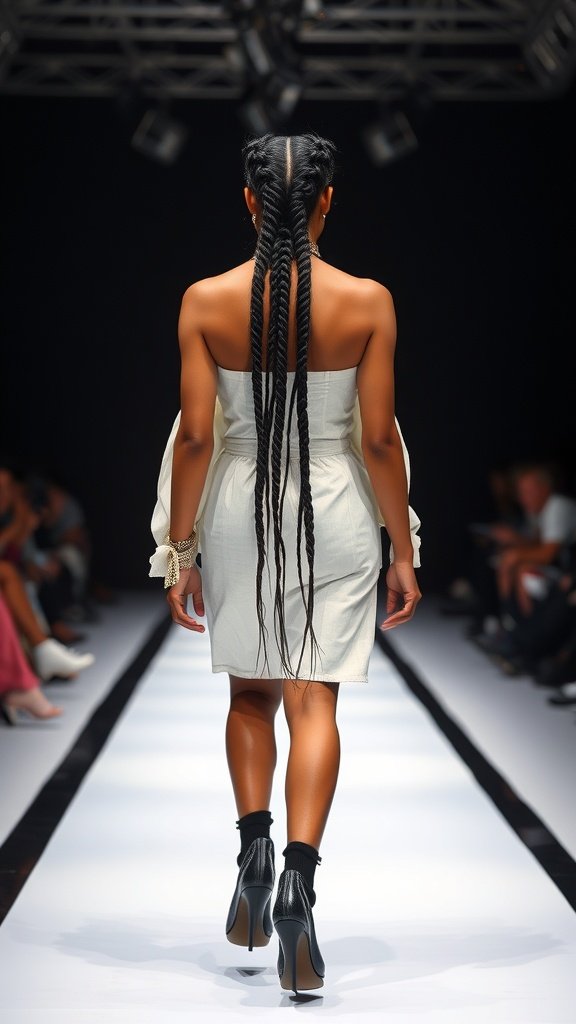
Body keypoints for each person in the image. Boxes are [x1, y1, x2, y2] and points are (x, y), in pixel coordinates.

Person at [148, 132, 422, 996]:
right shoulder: (368, 301)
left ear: (247, 200)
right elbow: (376, 439)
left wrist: (179, 545)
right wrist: (403, 547)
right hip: (339, 510)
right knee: (316, 701)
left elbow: (196, 436)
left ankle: (255, 850)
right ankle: (303, 879)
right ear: (331, 202)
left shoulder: (205, 300)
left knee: (250, 695)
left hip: (237, 509)